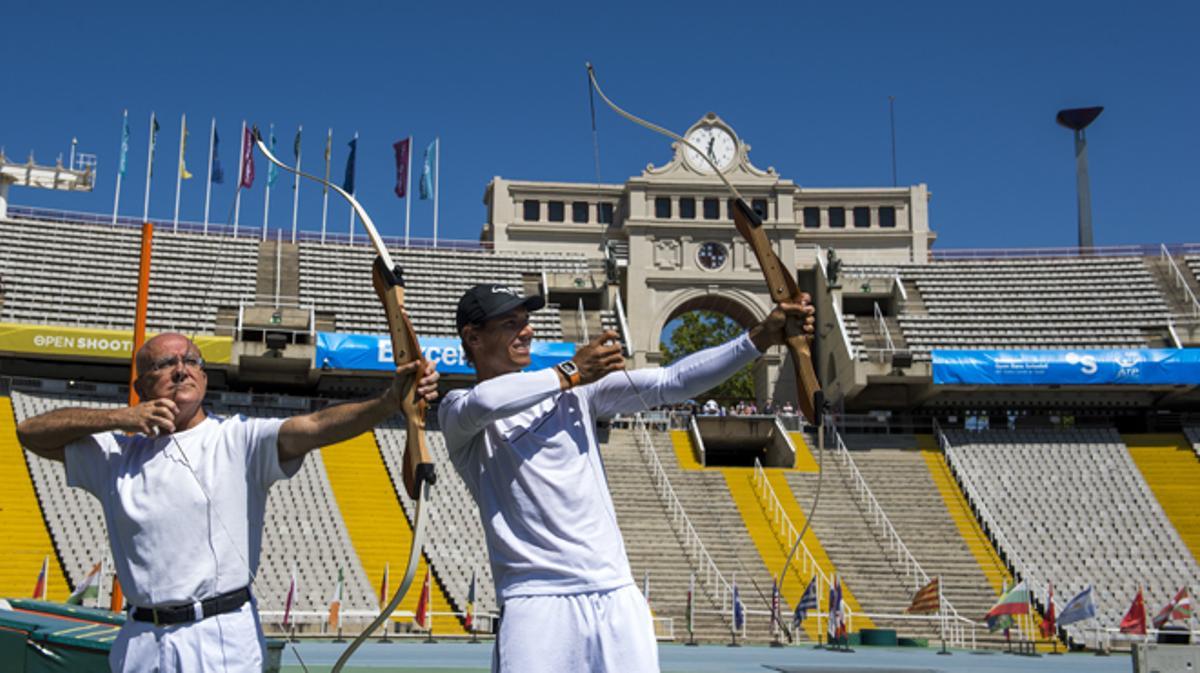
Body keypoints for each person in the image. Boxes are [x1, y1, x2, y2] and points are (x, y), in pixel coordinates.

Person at [438, 284, 814, 673]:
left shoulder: (576, 393)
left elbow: (673, 382)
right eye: (510, 323)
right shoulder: (458, 410)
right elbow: (487, 400)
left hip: (616, 595)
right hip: (535, 602)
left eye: (527, 321)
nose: (528, 330)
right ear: (473, 337)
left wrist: (760, 338)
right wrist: (572, 370)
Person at [15, 332, 439, 673]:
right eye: (165, 364)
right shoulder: (116, 454)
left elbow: (314, 425)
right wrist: (119, 418)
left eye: (192, 361)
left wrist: (386, 403)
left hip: (216, 636)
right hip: (141, 639)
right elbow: (30, 431)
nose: (182, 369)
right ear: (142, 385)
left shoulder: (236, 439)